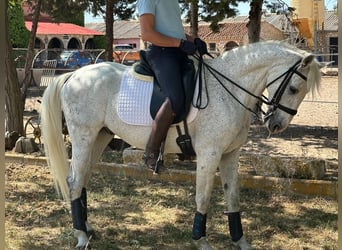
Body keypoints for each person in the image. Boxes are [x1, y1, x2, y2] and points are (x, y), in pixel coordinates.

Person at [136, 0, 200, 171]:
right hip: (161, 54)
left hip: (178, 52)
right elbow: (147, 33)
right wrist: (180, 43)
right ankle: (151, 151)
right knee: (175, 97)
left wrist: (192, 40)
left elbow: (174, 31)